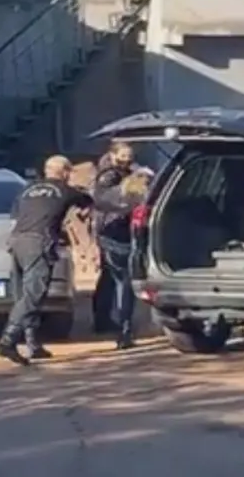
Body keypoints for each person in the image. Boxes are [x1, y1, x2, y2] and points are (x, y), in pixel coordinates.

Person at [0, 155, 91, 366]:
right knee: (33, 295)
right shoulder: (66, 190)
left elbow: (16, 217)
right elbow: (88, 202)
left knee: (23, 295)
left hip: (17, 241)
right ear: (65, 172)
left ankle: (33, 344)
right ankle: (7, 341)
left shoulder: (26, 189)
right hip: (39, 242)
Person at [91, 141, 141, 350]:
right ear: (112, 155)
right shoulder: (109, 176)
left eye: (130, 155)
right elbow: (111, 202)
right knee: (124, 281)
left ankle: (103, 320)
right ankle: (124, 330)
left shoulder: (121, 173)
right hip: (115, 232)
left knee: (110, 279)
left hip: (111, 231)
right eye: (123, 155)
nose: (127, 159)